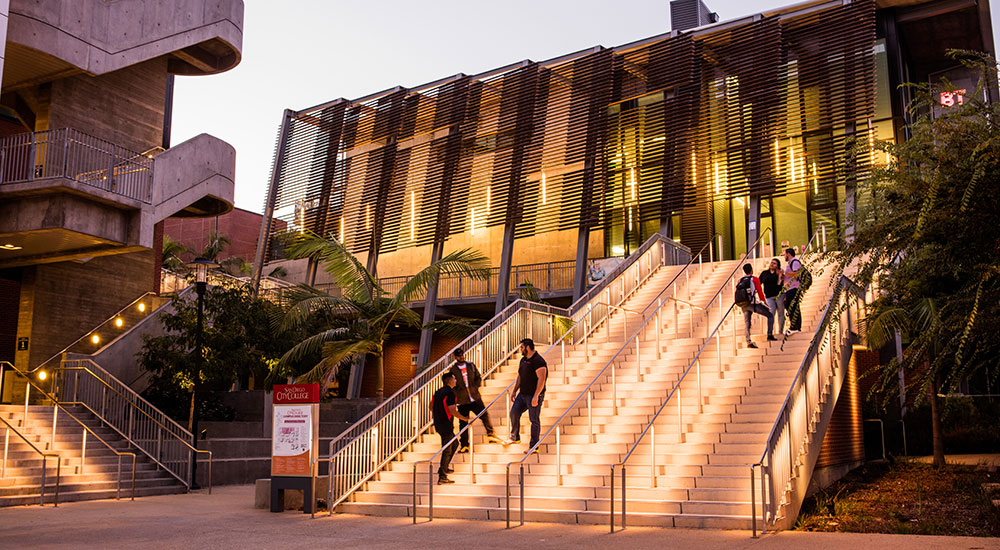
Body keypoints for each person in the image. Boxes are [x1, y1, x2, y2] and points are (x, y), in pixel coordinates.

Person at [449, 348, 501, 452]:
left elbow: (478, 377)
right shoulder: (453, 370)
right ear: (455, 357)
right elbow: (451, 385)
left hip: (474, 397)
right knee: (463, 423)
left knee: (484, 415)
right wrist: (456, 395)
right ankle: (464, 445)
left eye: (462, 355)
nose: (462, 357)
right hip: (462, 400)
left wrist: (475, 387)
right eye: (459, 356)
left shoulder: (470, 365)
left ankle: (491, 434)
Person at [430, 372, 470, 485]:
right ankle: (442, 476)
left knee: (455, 444)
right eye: (454, 378)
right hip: (446, 424)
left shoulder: (437, 392)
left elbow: (431, 406)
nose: (456, 380)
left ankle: (444, 467)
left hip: (438, 423)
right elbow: (452, 411)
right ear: (449, 381)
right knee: (447, 449)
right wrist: (465, 419)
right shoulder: (450, 393)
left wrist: (439, 413)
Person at [509, 338, 547, 453]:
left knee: (533, 419)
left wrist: (536, 395)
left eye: (522, 347)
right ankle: (515, 437)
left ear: (528, 347)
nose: (520, 349)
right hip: (523, 394)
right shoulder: (523, 360)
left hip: (533, 395)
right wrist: (515, 390)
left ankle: (534, 446)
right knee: (514, 412)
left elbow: (542, 379)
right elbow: (520, 376)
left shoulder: (538, 361)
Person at [735, 263, 775, 348]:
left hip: (744, 304)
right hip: (753, 304)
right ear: (751, 270)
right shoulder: (754, 279)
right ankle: (769, 334)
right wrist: (764, 302)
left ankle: (748, 341)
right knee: (770, 315)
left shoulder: (740, 280)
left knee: (747, 323)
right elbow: (760, 292)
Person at [759, 258, 786, 335]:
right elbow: (759, 282)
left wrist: (780, 275)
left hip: (779, 295)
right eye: (771, 263)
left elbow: (780, 284)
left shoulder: (779, 274)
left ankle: (780, 330)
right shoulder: (764, 273)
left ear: (777, 266)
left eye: (774, 263)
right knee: (771, 314)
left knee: (781, 313)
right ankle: (770, 331)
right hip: (769, 297)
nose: (772, 264)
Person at [782, 247, 803, 334]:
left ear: (788, 254)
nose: (784, 256)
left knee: (792, 306)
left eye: (784, 254)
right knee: (790, 306)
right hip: (790, 288)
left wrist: (784, 273)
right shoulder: (790, 263)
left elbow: (796, 273)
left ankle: (795, 326)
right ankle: (795, 326)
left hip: (794, 287)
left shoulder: (794, 262)